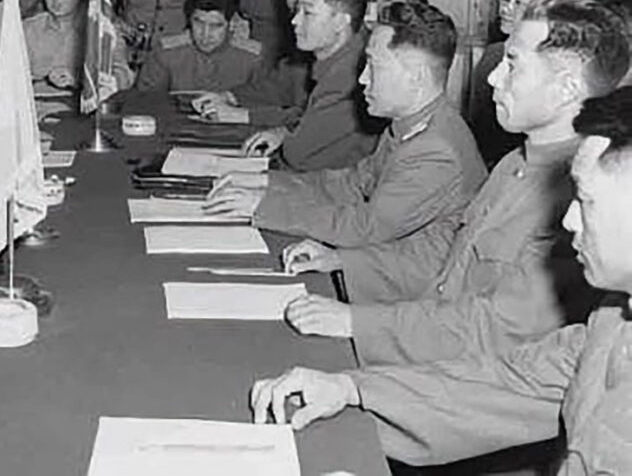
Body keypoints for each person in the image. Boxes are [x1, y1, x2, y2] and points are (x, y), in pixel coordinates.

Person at [249, 86, 632, 475]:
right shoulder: (613, 319)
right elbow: (514, 381)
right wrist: (353, 389)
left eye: (586, 199)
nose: (568, 220)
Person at [279, 0, 629, 367]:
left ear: (567, 88)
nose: (493, 78)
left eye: (512, 65)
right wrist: (343, 261)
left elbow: (493, 331)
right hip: (427, 344)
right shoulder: (515, 163)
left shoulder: (583, 194)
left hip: (464, 377)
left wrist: (358, 323)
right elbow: (446, 261)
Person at [206, 1, 486, 251]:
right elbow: (350, 183)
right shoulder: (409, 125)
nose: (362, 79)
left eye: (374, 67)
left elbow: (366, 227)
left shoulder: (435, 149)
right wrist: (265, 182)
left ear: (416, 77)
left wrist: (264, 205)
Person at [236, 0, 382, 172]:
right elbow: (314, 119)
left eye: (308, 12)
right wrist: (285, 132)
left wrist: (288, 137)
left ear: (340, 22)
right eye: (297, 11)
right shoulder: (344, 58)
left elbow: (297, 157)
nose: (295, 20)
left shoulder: (348, 77)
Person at [192, 0, 341, 125]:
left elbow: (320, 120)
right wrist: (229, 97)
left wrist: (244, 116)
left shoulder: (349, 51)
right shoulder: (305, 40)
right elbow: (278, 86)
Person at [468, 0, 572, 165]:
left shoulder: (553, 67)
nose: (505, 9)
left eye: (519, 2)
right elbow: (479, 124)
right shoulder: (493, 55)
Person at [23, 0, 133, 93]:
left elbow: (125, 76)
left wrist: (83, 79)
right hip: (36, 109)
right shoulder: (28, 30)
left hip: (82, 109)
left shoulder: (101, 28)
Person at [134, 0, 264, 94]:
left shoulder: (252, 58)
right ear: (189, 18)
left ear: (232, 24)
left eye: (216, 26)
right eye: (198, 22)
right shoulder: (165, 53)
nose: (205, 34)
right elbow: (145, 104)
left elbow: (262, 109)